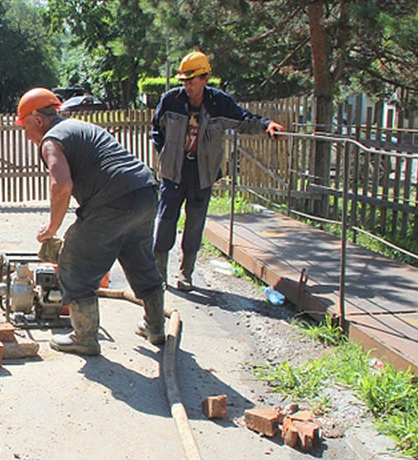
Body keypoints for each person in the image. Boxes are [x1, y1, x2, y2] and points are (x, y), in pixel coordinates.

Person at [16, 87, 166, 354]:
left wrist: (52, 228)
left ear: (38, 119)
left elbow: (61, 184)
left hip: (113, 201)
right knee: (140, 260)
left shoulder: (51, 140)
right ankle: (155, 326)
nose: (26, 135)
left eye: (25, 126)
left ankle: (84, 337)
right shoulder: (77, 127)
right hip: (145, 193)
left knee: (74, 263)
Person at [152, 51, 284, 292]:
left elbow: (243, 120)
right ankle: (159, 273)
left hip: (201, 173)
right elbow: (156, 128)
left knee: (194, 224)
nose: (188, 86)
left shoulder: (218, 103)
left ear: (205, 79)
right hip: (173, 171)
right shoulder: (171, 100)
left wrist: (266, 125)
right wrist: (165, 154)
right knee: (165, 220)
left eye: (192, 81)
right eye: (185, 81)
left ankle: (185, 273)